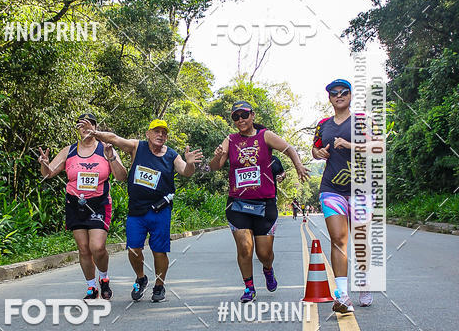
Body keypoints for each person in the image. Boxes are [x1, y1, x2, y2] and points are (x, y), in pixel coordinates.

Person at [80, 119, 203, 302]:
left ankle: (159, 285)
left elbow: (186, 171)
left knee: (159, 251)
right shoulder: (137, 147)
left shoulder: (172, 155)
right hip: (136, 209)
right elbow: (114, 138)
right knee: (133, 249)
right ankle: (141, 278)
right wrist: (95, 133)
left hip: (160, 209)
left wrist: (190, 163)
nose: (160, 135)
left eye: (164, 132)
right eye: (156, 131)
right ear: (148, 134)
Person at [209, 101, 309, 302]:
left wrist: (298, 165)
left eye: (244, 115)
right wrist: (217, 157)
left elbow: (289, 148)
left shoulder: (265, 136)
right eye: (236, 117)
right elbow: (215, 167)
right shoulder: (230, 140)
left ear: (252, 115)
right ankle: (249, 287)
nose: (240, 120)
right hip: (238, 203)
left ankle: (268, 268)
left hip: (265, 204)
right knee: (245, 248)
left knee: (264, 253)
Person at [37, 113, 127, 300]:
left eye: (89, 124)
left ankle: (104, 278)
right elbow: (48, 174)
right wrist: (44, 164)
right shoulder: (69, 150)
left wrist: (111, 158)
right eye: (81, 125)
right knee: (84, 249)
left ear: (95, 127)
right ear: (77, 129)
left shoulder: (105, 148)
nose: (85, 128)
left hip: (99, 203)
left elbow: (121, 177)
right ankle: (91, 287)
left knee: (97, 247)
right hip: (75, 204)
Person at [312, 78, 373, 313]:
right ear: (329, 98)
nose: (339, 95)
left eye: (344, 92)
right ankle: (343, 295)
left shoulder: (362, 121)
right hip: (331, 188)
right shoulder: (323, 124)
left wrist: (349, 145)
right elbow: (315, 148)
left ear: (350, 95)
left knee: (360, 240)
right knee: (338, 239)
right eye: (334, 93)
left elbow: (377, 147)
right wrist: (318, 153)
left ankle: (364, 283)